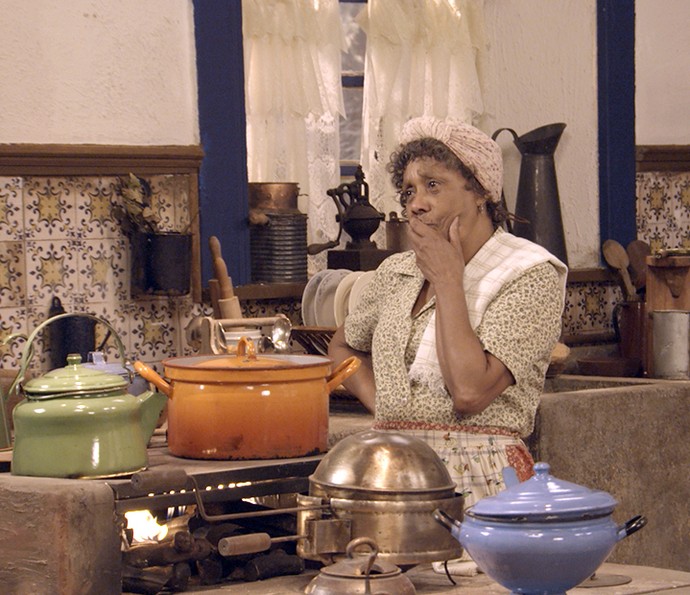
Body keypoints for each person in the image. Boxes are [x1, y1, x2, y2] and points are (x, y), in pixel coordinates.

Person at [328, 116, 568, 511]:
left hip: (482, 481)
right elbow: (342, 346)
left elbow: (470, 393)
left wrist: (448, 280)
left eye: (433, 186)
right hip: (393, 472)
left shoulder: (529, 274)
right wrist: (388, 408)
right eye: (408, 191)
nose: (416, 204)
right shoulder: (398, 271)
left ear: (480, 191)